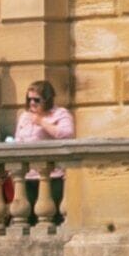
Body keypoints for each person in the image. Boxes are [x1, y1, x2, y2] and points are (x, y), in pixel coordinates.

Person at [15, 79, 75, 217]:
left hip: (52, 175)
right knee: (27, 216)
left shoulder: (60, 114)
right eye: (29, 99)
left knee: (50, 215)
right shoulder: (24, 117)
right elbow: (18, 140)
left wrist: (42, 122)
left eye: (36, 100)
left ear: (47, 100)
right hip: (28, 175)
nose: (32, 103)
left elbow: (67, 134)